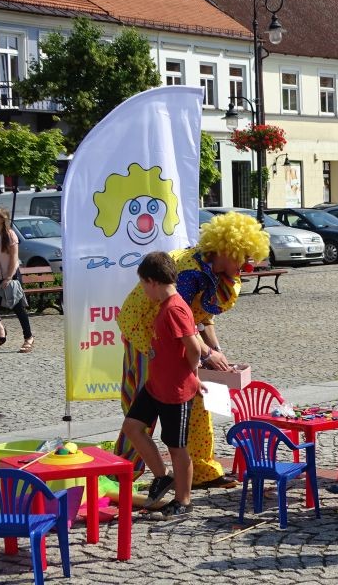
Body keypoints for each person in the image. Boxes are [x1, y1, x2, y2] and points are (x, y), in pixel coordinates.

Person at [115, 212, 269, 488]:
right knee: (142, 409)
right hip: (146, 333)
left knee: (197, 401)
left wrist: (216, 351)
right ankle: (121, 475)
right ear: (225, 250)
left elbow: (201, 317)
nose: (248, 263)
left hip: (178, 337)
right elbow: (183, 320)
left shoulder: (218, 272)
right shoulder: (189, 272)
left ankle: (201, 471)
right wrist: (208, 355)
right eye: (243, 256)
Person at [121, 252, 206, 518]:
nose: (143, 290)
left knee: (176, 447)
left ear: (152, 281)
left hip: (175, 391)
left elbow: (194, 348)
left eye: (143, 284)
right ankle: (162, 476)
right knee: (132, 427)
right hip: (155, 385)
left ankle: (183, 500)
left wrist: (190, 374)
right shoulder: (165, 305)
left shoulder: (174, 309)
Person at [0, 207, 33, 357]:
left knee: (18, 309)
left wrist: (8, 278)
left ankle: (29, 337)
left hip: (11, 276)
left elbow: (14, 259)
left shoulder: (11, 235)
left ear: (3, 219)